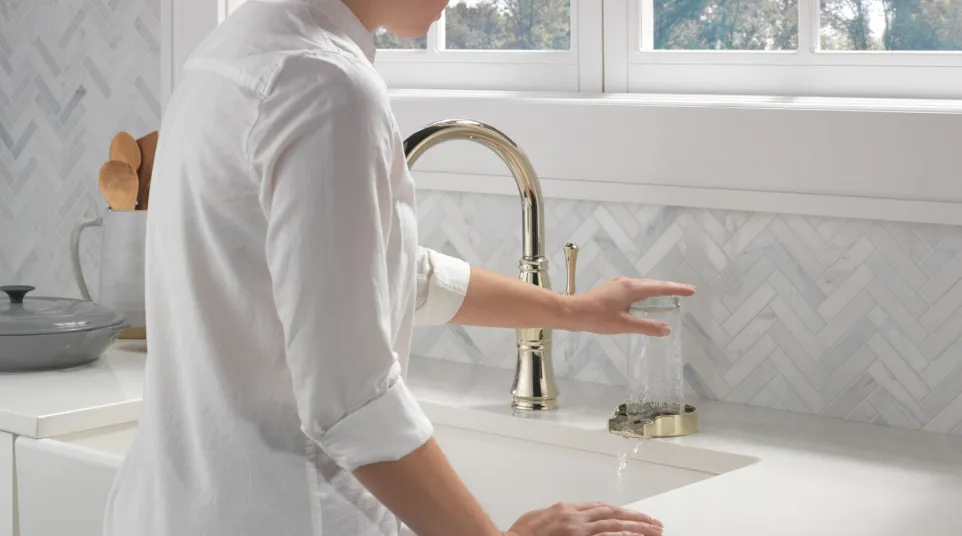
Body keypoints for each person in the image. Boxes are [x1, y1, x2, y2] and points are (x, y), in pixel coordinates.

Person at [102, 1, 696, 535]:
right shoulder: (325, 86)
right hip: (286, 513)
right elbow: (351, 397)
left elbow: (387, 275)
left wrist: (572, 311)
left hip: (168, 508)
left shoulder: (235, 48)